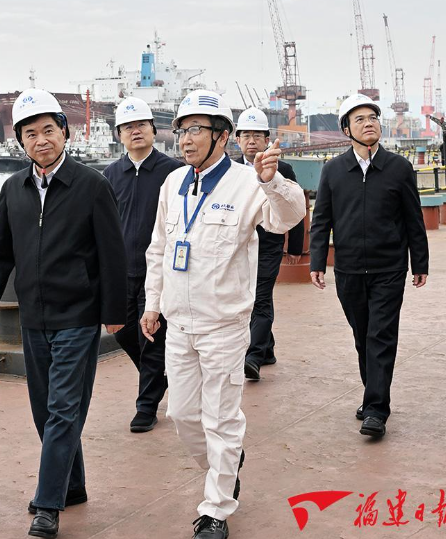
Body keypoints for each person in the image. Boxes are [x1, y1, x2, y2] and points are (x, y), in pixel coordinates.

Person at [140, 89, 306, 539]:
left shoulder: (248, 181)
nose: (185, 139)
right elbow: (159, 248)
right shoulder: (173, 184)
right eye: (181, 129)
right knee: (182, 416)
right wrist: (152, 303)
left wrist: (271, 181)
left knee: (220, 418)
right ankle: (226, 463)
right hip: (179, 324)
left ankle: (216, 508)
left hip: (225, 326)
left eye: (196, 129)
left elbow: (287, 217)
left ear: (222, 135)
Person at [0, 88, 126, 539]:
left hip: (78, 315)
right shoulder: (13, 189)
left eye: (48, 130)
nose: (40, 140)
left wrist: (114, 311)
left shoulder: (92, 185)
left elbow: (112, 253)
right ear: (20, 141)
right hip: (33, 318)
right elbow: (0, 253)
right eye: (30, 134)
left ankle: (48, 503)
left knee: (62, 409)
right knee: (45, 411)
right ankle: (71, 485)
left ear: (64, 132)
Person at [309, 94, 429, 439]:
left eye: (373, 117)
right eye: (359, 119)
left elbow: (413, 219)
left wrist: (419, 262)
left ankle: (376, 409)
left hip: (389, 268)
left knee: (381, 336)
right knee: (363, 337)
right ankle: (372, 393)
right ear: (347, 129)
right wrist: (318, 261)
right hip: (348, 269)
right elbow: (321, 220)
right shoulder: (333, 170)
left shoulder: (398, 168)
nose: (369, 123)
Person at [103, 97, 184, 432]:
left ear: (153, 130)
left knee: (151, 338)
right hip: (121, 270)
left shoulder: (173, 171)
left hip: (158, 270)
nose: (134, 131)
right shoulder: (111, 174)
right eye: (127, 127)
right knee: (123, 332)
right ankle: (159, 378)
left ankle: (146, 407)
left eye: (140, 125)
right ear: (119, 134)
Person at [233, 107, 305, 380]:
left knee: (260, 298)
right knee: (246, 298)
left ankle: (253, 356)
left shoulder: (282, 169)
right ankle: (268, 348)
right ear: (237, 140)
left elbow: (295, 209)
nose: (251, 141)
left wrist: (295, 247)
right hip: (238, 246)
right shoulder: (229, 170)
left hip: (268, 244)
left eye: (257, 136)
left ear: (266, 140)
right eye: (246, 136)